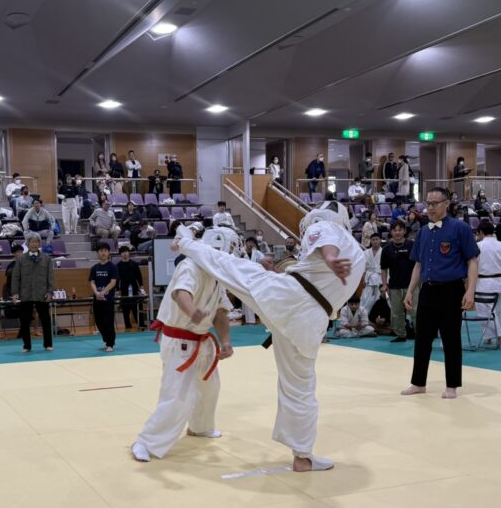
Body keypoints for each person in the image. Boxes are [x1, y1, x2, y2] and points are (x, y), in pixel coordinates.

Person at [174, 201, 366, 471]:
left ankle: (184, 241)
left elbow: (327, 243)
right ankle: (303, 456)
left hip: (288, 297)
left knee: (230, 266)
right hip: (311, 323)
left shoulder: (328, 226)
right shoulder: (358, 254)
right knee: (301, 388)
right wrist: (331, 260)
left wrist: (331, 258)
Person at [130, 228, 236, 462]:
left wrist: (225, 341)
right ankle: (146, 442)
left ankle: (200, 427)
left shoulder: (217, 274)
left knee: (210, 388)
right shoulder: (191, 266)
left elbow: (220, 311)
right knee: (177, 396)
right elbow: (181, 294)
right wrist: (193, 312)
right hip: (180, 341)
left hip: (202, 340)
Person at [401, 187, 480, 399]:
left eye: (435, 203)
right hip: (427, 290)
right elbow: (418, 264)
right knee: (422, 338)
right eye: (428, 203)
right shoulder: (423, 232)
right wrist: (410, 291)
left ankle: (452, 385)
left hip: (452, 290)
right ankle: (418, 382)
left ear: (446, 204)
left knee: (451, 338)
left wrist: (470, 291)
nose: (430, 207)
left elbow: (472, 261)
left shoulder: (460, 228)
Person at [11, 234, 55, 352]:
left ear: (39, 244)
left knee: (46, 320)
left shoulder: (47, 259)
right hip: (26, 294)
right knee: (25, 321)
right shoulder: (21, 260)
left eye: (36, 242)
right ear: (28, 244)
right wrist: (15, 293)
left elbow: (51, 277)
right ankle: (27, 346)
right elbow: (15, 278)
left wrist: (50, 292)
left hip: (42, 294)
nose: (34, 244)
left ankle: (48, 344)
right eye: (32, 242)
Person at [475, 220, 501, 346]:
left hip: (483, 282)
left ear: (480, 232)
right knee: (499, 311)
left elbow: (473, 265)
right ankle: (491, 336)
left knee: (484, 311)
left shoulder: (478, 246)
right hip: (500, 282)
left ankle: (497, 335)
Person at [381, 220, 416, 342]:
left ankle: (420, 334)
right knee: (396, 312)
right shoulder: (386, 249)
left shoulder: (412, 245)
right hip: (394, 285)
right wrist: (384, 284)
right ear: (391, 232)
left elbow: (418, 265)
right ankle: (401, 334)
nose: (397, 233)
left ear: (404, 231)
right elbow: (384, 269)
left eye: (400, 230)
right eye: (395, 230)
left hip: (411, 285)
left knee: (415, 310)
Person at [89, 242, 119, 352]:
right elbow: (92, 282)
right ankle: (106, 340)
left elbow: (113, 282)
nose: (103, 253)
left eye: (105, 251)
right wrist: (96, 293)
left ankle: (110, 343)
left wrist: (103, 292)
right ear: (97, 253)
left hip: (108, 299)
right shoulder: (94, 268)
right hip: (97, 299)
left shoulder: (113, 267)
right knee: (99, 321)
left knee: (108, 321)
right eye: (101, 251)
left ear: (108, 253)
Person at [117, 245, 145, 330]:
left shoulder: (134, 264)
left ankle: (141, 324)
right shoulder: (118, 266)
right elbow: (117, 279)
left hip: (135, 289)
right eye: (122, 252)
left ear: (129, 253)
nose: (124, 254)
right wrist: (117, 290)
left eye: (126, 251)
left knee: (137, 307)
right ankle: (128, 326)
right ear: (120, 254)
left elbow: (139, 276)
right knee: (125, 310)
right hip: (124, 290)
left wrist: (141, 287)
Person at [360, 232, 384, 317]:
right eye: (373, 240)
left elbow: (386, 268)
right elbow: (363, 267)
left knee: (379, 297)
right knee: (365, 297)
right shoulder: (366, 252)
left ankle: (378, 316)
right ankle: (364, 316)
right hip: (368, 278)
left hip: (380, 278)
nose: (375, 241)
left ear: (380, 240)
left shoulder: (384, 252)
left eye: (377, 239)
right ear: (370, 241)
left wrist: (386, 282)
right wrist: (362, 279)